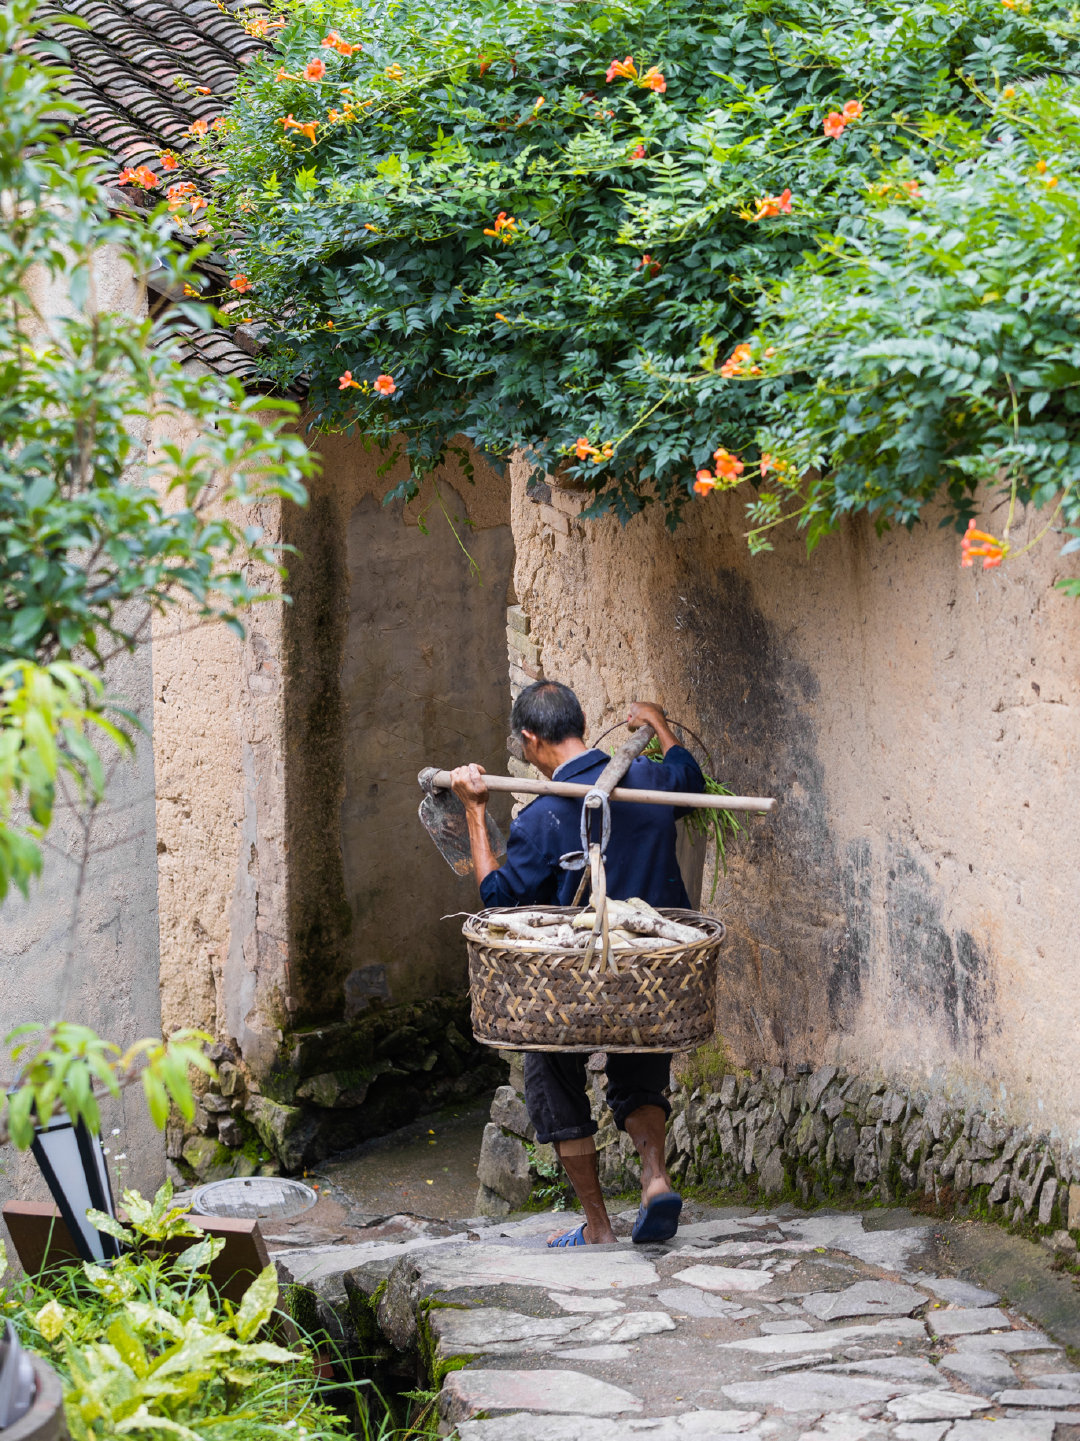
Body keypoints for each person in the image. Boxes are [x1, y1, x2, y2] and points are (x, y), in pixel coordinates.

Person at [450, 680, 705, 1248]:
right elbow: (690, 777)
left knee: (550, 1072)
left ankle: (597, 1226)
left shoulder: (542, 819)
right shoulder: (651, 782)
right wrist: (658, 725)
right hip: (648, 976)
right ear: (581, 724)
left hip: (576, 983)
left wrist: (474, 812)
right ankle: (655, 1178)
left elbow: (499, 900)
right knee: (639, 1071)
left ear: (530, 739)